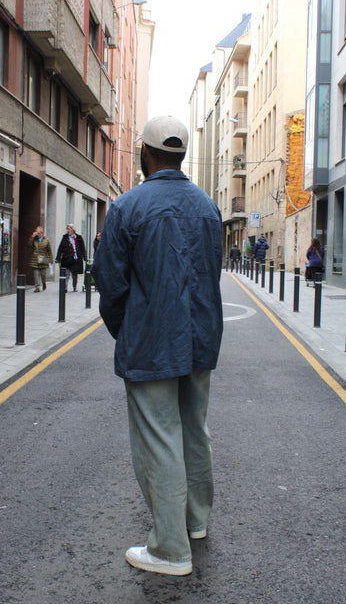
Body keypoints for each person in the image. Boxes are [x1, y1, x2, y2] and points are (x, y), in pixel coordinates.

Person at [92, 116, 223, 577]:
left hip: (150, 341)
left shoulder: (127, 207)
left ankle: (170, 550)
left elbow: (109, 283)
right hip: (200, 337)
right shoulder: (208, 208)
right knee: (194, 429)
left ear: (144, 154)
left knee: (160, 438)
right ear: (182, 155)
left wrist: (127, 329)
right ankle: (194, 521)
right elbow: (211, 272)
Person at [55, 224, 87, 292]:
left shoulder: (79, 238)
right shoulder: (65, 238)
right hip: (67, 258)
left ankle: (74, 286)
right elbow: (60, 248)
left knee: (74, 274)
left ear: (72, 230)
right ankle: (65, 287)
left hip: (75, 259)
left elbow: (83, 248)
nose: (67, 230)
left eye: (69, 229)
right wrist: (58, 258)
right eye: (67, 229)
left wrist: (85, 257)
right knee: (66, 273)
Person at [28, 226, 53, 293]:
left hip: (43, 259)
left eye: (38, 233)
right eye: (36, 232)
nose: (37, 234)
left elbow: (49, 250)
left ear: (42, 233)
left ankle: (44, 283)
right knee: (36, 273)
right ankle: (37, 287)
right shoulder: (34, 239)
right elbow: (29, 245)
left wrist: (51, 259)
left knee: (43, 274)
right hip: (35, 259)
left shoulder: (46, 240)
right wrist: (32, 236)